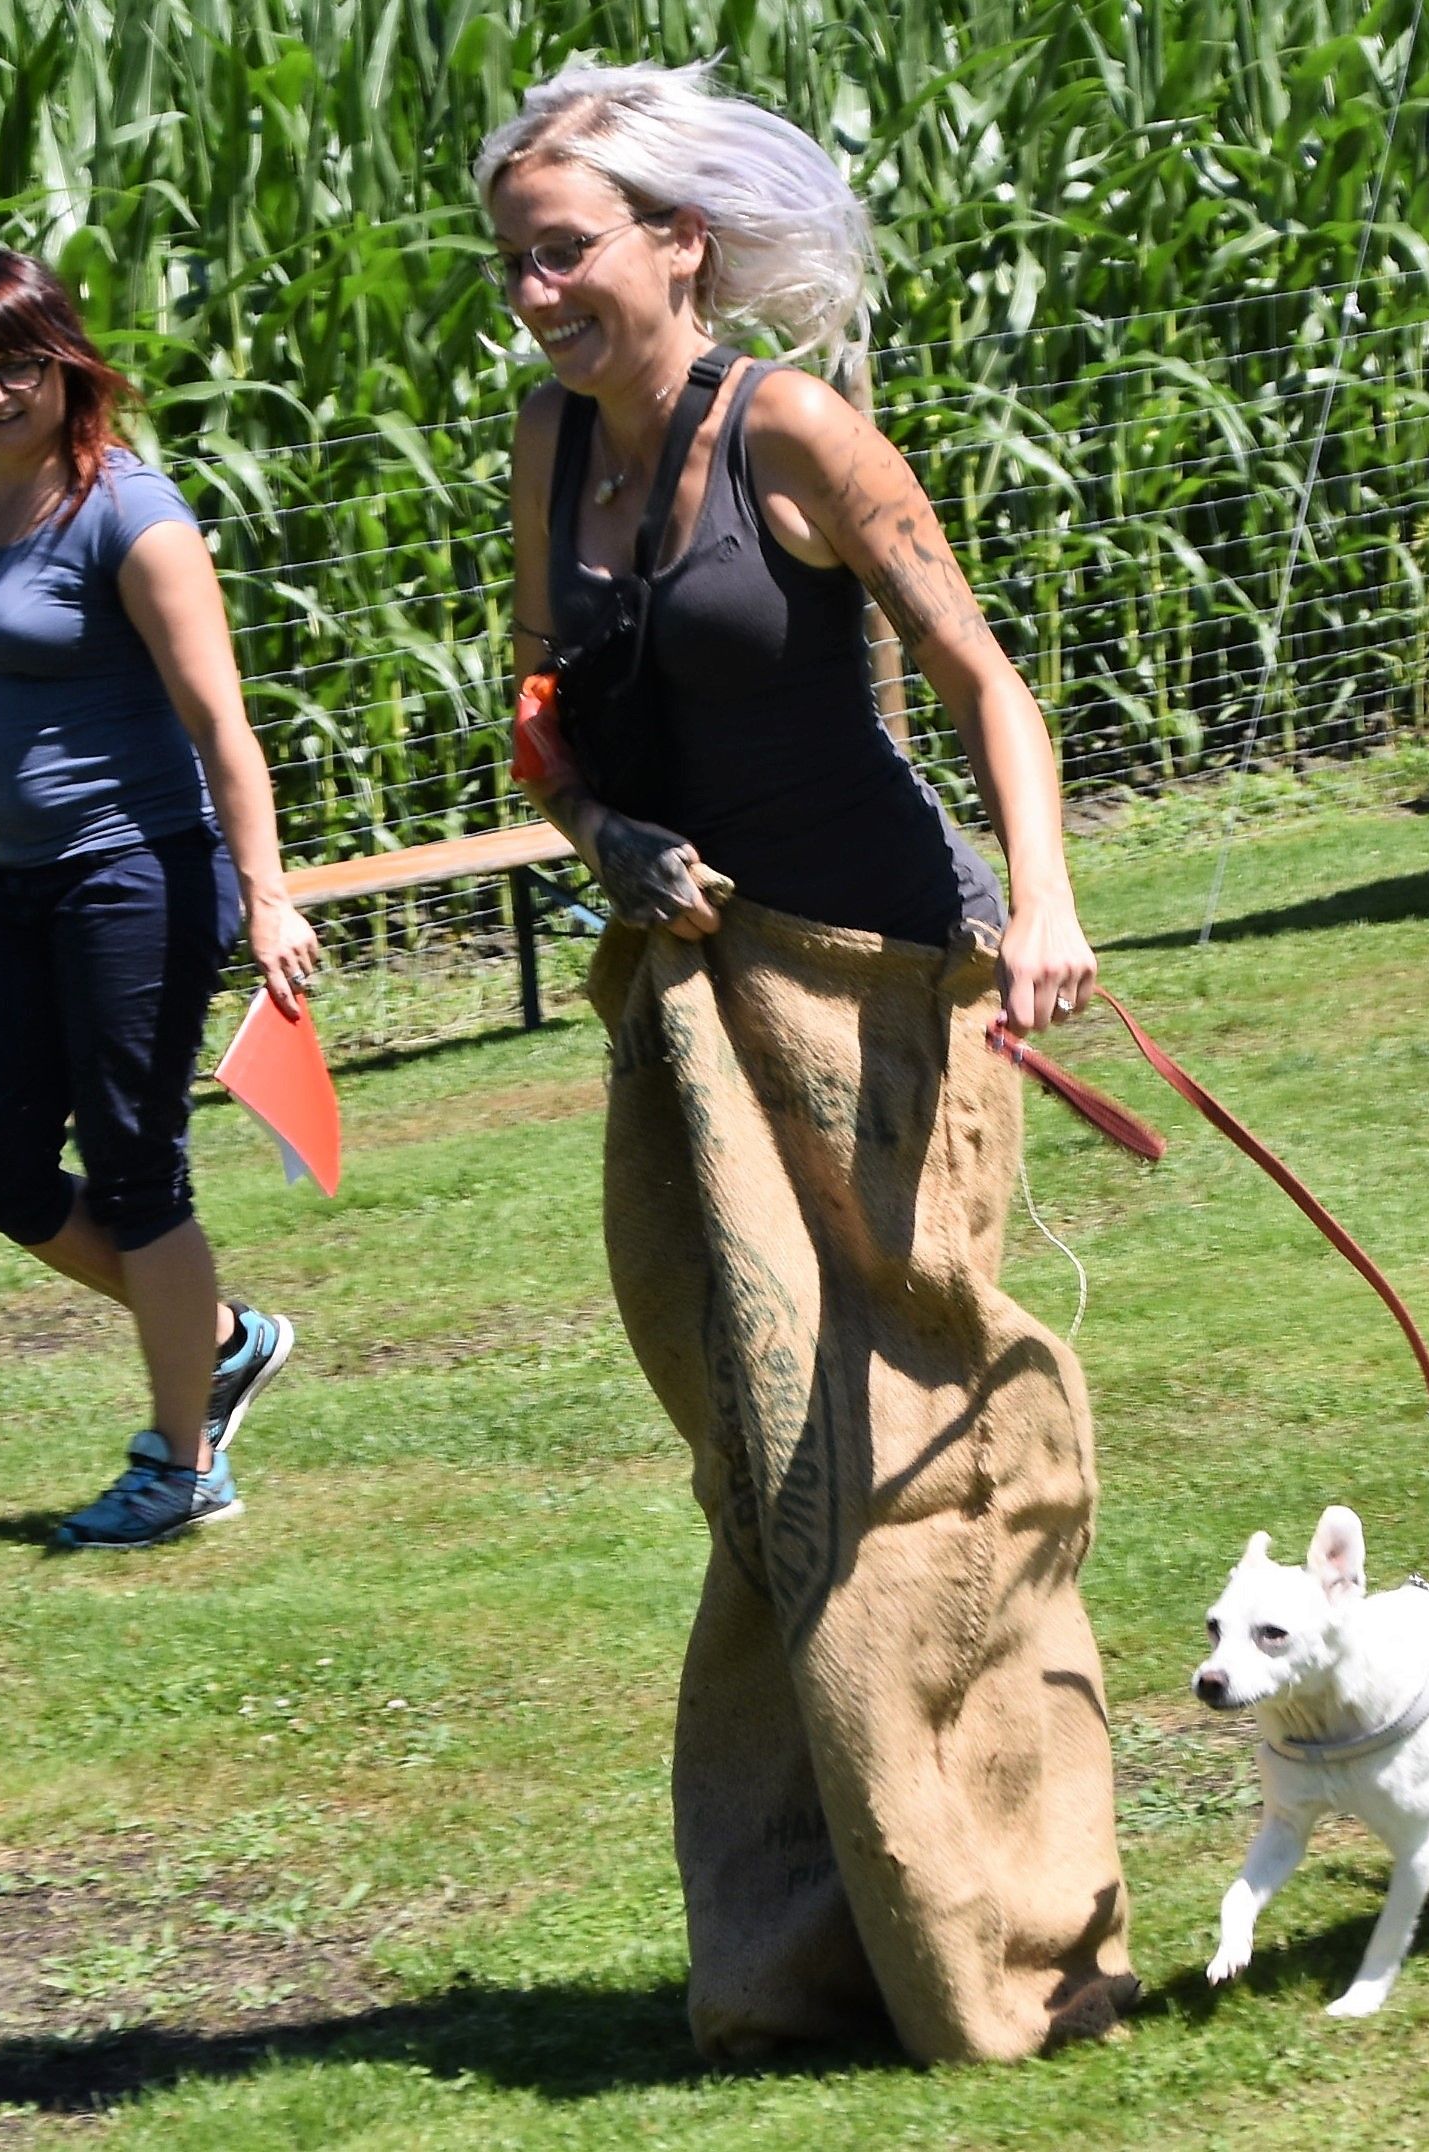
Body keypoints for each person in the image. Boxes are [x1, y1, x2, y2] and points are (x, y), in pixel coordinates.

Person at [481, 58, 1134, 2065]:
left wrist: (1043, 905)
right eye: (513, 265)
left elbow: (980, 676)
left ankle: (1017, 1924)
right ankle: (804, 1954)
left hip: (887, 990)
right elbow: (542, 712)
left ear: (676, 243)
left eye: (565, 253)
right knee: (766, 1462)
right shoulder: (548, 448)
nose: (536, 296)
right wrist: (600, 829)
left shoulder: (790, 431)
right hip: (693, 1000)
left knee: (912, 1453)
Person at [0, 250, 324, 1548]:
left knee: (133, 1165)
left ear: (66, 365)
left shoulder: (131, 514)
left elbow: (220, 721)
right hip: (27, 885)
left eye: (15, 368)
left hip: (143, 874)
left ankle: (182, 1468)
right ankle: (222, 1340)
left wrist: (267, 896)